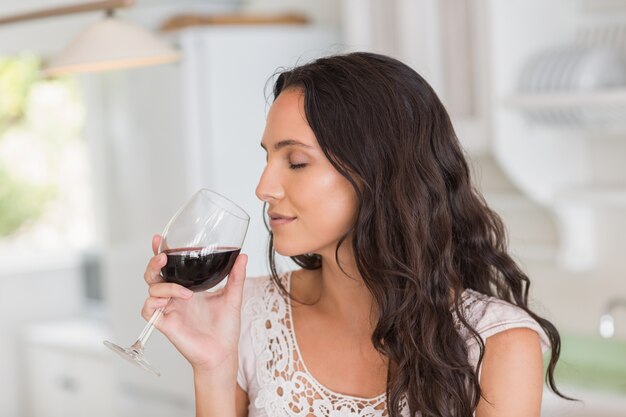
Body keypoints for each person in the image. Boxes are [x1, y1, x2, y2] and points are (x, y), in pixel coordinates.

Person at [141, 52, 571, 417]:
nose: (263, 188)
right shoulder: (248, 315)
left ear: (377, 173)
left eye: (296, 162)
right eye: (268, 158)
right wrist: (214, 368)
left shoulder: (497, 344)